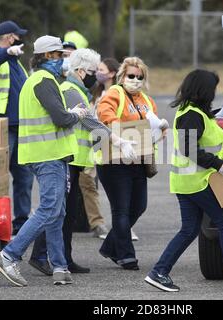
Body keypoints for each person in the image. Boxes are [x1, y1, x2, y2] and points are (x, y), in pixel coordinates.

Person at [144, 70, 223, 292]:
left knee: (189, 230)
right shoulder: (191, 114)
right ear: (203, 89)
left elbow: (214, 137)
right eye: (212, 88)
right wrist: (219, 164)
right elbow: (188, 148)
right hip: (198, 183)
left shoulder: (199, 112)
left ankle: (159, 272)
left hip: (190, 183)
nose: (214, 92)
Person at [0, 35, 88, 287]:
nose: (63, 61)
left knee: (58, 212)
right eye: (59, 56)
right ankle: (9, 255)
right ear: (47, 56)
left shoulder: (40, 80)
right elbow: (61, 118)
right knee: (50, 209)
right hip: (47, 155)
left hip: (48, 154)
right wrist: (76, 114)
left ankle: (59, 266)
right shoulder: (43, 81)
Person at [29, 49, 138, 275]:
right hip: (69, 159)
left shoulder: (78, 90)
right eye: (91, 71)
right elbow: (91, 123)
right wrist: (118, 141)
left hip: (75, 160)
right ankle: (41, 255)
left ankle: (63, 258)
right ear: (80, 71)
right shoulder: (71, 90)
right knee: (57, 211)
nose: (94, 76)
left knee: (66, 213)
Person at [97, 57, 169, 270]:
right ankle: (127, 256)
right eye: (131, 76)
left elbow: (153, 124)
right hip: (114, 161)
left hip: (138, 160)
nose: (135, 80)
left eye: (140, 77)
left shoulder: (146, 100)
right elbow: (105, 116)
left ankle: (110, 246)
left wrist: (160, 131)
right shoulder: (114, 94)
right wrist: (124, 134)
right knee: (121, 209)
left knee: (139, 206)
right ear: (122, 76)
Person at [0, 20, 34, 236]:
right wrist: (7, 52)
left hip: (18, 127)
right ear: (10, 38)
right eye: (17, 37)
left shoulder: (15, 61)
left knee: (24, 178)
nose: (20, 40)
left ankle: (20, 224)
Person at [90, 58, 139, 241]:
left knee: (123, 199)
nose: (98, 72)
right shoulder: (96, 91)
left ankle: (122, 230)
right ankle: (106, 226)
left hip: (120, 145)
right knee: (107, 191)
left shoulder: (122, 94)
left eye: (101, 69)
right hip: (100, 143)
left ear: (112, 73)